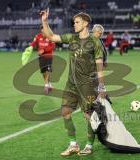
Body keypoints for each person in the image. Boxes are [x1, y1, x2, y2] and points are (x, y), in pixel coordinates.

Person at [41, 9, 106, 156]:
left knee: (88, 115)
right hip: (71, 84)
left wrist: (102, 86)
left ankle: (89, 146)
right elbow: (51, 36)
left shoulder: (94, 42)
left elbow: (99, 66)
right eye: (74, 22)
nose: (74, 24)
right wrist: (45, 21)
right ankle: (73, 145)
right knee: (65, 112)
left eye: (77, 22)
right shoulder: (72, 38)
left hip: (88, 85)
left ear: (85, 23)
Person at [22, 25, 56, 94]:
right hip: (41, 57)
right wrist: (30, 47)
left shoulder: (50, 36)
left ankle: (46, 85)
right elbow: (34, 43)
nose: (45, 30)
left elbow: (53, 47)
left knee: (48, 70)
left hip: (49, 56)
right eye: (43, 29)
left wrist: (43, 50)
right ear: (41, 30)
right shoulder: (38, 36)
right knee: (43, 72)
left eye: (46, 29)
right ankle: (49, 83)